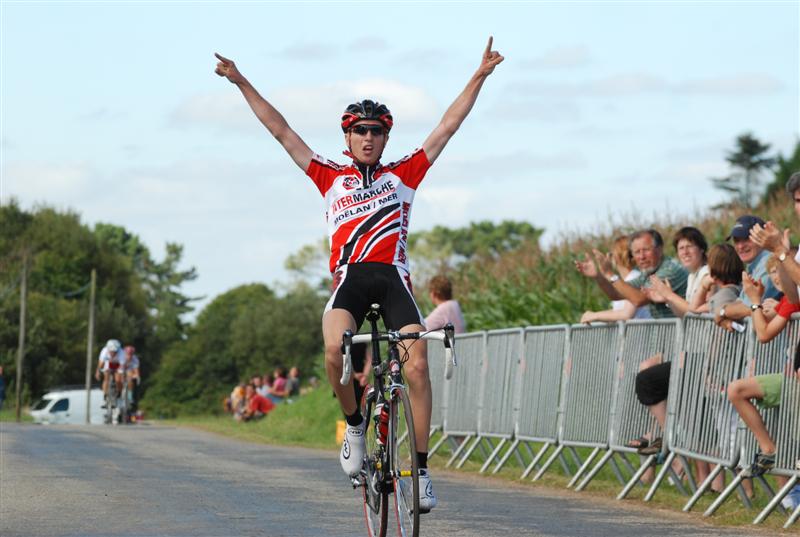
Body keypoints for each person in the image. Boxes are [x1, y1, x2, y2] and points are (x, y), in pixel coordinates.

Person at [215, 36, 504, 512]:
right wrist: (242, 81)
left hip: (393, 281)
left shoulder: (404, 175)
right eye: (359, 131)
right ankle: (353, 424)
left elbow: (446, 127)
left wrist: (478, 76)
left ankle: (422, 472)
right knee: (334, 348)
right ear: (347, 138)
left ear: (385, 138)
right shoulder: (330, 177)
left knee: (416, 365)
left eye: (376, 132)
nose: (368, 138)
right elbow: (281, 131)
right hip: (350, 281)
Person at [629, 244, 743, 461]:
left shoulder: (726, 294)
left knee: (728, 431)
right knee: (723, 429)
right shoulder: (723, 293)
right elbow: (694, 309)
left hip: (721, 368)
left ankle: (740, 487)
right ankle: (670, 437)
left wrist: (670, 294)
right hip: (715, 367)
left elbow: (693, 311)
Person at [575, 229, 688, 319]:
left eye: (646, 250)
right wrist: (598, 276)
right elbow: (616, 294)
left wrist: (610, 274)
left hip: (681, 340)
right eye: (637, 252)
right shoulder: (648, 273)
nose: (641, 257)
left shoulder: (669, 269)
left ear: (659, 249)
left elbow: (639, 300)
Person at [713, 215, 780, 331]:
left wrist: (722, 311)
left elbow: (751, 306)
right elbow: (741, 303)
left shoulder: (769, 262)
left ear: (762, 237)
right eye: (736, 240)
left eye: (746, 239)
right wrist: (725, 314)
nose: (740, 246)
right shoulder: (753, 265)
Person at [579, 235, 650, 324]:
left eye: (611, 253)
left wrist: (595, 315)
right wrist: (597, 275)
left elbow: (626, 314)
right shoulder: (625, 280)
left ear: (617, 257)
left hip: (641, 336)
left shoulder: (635, 277)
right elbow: (618, 312)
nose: (608, 256)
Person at [646, 227, 711, 317]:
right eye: (681, 248)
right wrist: (668, 299)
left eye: (689, 246)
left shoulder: (707, 273)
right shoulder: (691, 276)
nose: (685, 252)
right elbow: (686, 314)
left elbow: (698, 312)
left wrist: (669, 295)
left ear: (701, 249)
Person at [94, 339, 124, 406]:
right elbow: (101, 364)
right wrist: (97, 372)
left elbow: (122, 367)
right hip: (108, 363)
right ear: (108, 349)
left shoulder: (121, 353)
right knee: (106, 378)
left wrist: (120, 376)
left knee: (118, 380)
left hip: (117, 364)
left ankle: (119, 394)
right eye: (111, 351)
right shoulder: (104, 351)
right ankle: (105, 397)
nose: (113, 353)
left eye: (115, 351)